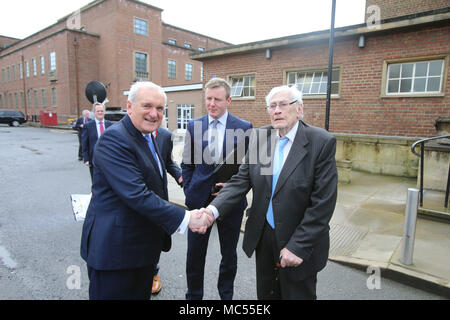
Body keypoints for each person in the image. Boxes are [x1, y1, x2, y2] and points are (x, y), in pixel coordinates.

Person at [202, 85, 338, 300]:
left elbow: (323, 203)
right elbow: (241, 180)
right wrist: (211, 212)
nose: (276, 110)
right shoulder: (260, 137)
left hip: (298, 239)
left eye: (283, 104)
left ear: (299, 109)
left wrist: (298, 246)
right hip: (264, 236)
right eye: (272, 106)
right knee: (266, 295)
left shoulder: (320, 142)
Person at [80, 81, 212, 300]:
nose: (154, 113)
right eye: (147, 106)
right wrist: (188, 218)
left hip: (143, 250)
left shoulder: (151, 136)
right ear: (129, 106)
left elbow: (158, 177)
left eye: (160, 108)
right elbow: (137, 194)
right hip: (115, 253)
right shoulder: (114, 139)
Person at [181, 77, 252, 300]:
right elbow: (187, 164)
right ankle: (193, 298)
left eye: (217, 99)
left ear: (228, 100)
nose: (212, 104)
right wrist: (190, 192)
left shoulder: (244, 128)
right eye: (208, 98)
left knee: (229, 255)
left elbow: (248, 170)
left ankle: (226, 297)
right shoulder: (194, 125)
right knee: (194, 255)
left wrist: (232, 189)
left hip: (230, 204)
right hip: (198, 203)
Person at [151, 120, 183, 294]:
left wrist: (180, 177)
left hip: (160, 196)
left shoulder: (165, 136)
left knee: (156, 236)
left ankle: (153, 273)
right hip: (136, 195)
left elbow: (168, 162)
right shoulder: (124, 135)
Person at [81, 102, 113, 181]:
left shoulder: (110, 125)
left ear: (104, 112)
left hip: (108, 158)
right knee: (96, 181)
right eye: (98, 111)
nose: (100, 113)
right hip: (94, 159)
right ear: (94, 112)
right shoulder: (88, 126)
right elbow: (84, 143)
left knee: (109, 180)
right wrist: (86, 159)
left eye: (102, 111)